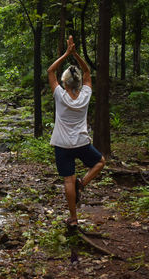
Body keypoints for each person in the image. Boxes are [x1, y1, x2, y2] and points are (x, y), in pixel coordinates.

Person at [47, 35, 105, 227]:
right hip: (81, 142)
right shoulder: (86, 95)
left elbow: (51, 70)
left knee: (68, 181)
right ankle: (84, 182)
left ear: (65, 83)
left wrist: (66, 53)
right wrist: (76, 54)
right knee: (100, 162)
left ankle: (73, 218)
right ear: (79, 83)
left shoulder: (60, 95)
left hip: (62, 144)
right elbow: (87, 71)